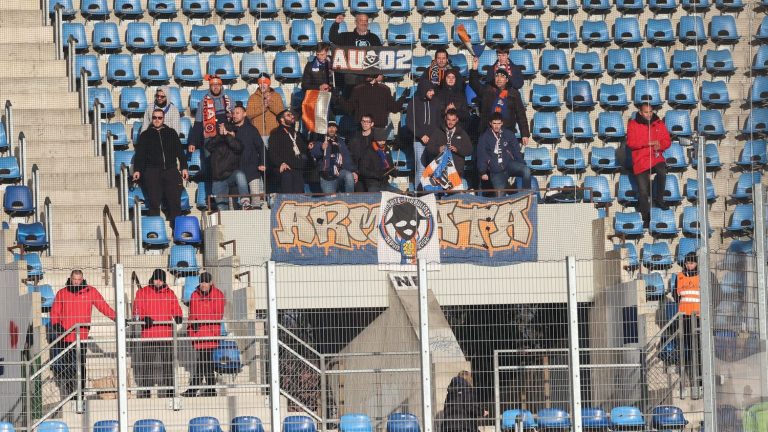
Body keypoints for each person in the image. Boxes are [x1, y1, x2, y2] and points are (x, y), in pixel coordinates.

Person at [49, 270, 116, 398]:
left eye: (79, 279)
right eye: (75, 279)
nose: (77, 282)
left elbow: (103, 307)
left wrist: (117, 318)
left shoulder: (90, 291)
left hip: (81, 337)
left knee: (80, 366)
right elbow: (55, 312)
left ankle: (81, 394)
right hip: (66, 337)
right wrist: (57, 325)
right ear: (70, 278)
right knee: (67, 368)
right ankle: (70, 395)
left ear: (82, 279)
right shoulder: (62, 293)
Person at [133, 108, 189, 230]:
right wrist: (137, 170)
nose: (157, 120)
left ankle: (177, 229)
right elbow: (140, 155)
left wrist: (184, 167)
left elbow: (180, 151)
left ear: (163, 119)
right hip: (152, 171)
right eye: (154, 117)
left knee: (175, 201)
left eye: (159, 117)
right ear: (151, 119)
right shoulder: (145, 135)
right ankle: (155, 230)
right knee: (154, 202)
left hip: (170, 170)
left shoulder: (171, 133)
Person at [132, 269, 183, 399]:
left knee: (168, 365)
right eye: (156, 279)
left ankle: (170, 392)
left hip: (166, 335)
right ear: (152, 278)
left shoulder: (169, 293)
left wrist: (178, 315)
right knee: (147, 366)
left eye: (160, 280)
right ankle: (146, 392)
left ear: (164, 280)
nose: (158, 282)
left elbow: (175, 307)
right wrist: (144, 318)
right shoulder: (142, 292)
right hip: (149, 335)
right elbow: (137, 309)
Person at [626, 102, 671, 228]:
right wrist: (648, 143)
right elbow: (631, 143)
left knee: (662, 171)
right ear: (640, 112)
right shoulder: (633, 124)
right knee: (643, 191)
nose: (649, 114)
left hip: (655, 157)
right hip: (641, 159)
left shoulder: (659, 123)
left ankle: (659, 199)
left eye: (650, 112)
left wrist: (660, 145)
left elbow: (667, 140)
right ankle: (646, 218)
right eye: (646, 112)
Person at [182, 272, 225, 398]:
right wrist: (191, 327)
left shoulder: (218, 295)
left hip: (210, 334)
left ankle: (193, 390)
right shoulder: (194, 295)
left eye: (206, 282)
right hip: (199, 334)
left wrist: (199, 320)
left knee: (202, 362)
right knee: (206, 362)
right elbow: (192, 315)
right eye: (201, 282)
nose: (203, 285)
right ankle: (210, 389)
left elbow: (217, 315)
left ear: (211, 282)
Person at [469, 57, 529, 141]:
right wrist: (474, 69)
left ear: (507, 79)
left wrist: (525, 134)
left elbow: (521, 115)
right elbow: (474, 83)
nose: (499, 79)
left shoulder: (514, 94)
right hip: (488, 132)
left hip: (507, 132)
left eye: (502, 76)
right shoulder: (487, 90)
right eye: (497, 76)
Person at [476, 113, 531, 194]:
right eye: (494, 123)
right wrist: (483, 172)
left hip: (508, 164)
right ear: (490, 123)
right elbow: (482, 155)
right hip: (496, 171)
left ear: (502, 123)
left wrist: (521, 164)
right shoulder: (484, 137)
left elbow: (516, 151)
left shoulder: (508, 134)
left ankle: (527, 194)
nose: (497, 126)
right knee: (500, 196)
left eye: (498, 123)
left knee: (526, 170)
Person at [329, 13, 383, 94]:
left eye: (366, 21)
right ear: (356, 22)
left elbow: (380, 56)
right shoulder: (347, 36)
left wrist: (380, 73)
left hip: (369, 75)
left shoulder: (374, 38)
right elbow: (332, 38)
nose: (364, 23)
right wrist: (336, 23)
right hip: (352, 77)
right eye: (361, 20)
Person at [206, 110, 248, 210]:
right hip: (218, 178)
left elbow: (238, 147)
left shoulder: (235, 141)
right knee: (222, 208)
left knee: (240, 175)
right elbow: (208, 146)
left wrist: (227, 135)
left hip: (230, 175)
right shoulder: (216, 140)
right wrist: (221, 135)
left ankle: (245, 201)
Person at [340, 74, 408, 136]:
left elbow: (394, 108)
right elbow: (349, 108)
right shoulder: (358, 89)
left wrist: (403, 97)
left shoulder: (384, 89)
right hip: (363, 129)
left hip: (376, 130)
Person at [406, 80, 443, 182]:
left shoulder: (436, 102)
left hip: (433, 141)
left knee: (433, 167)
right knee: (421, 168)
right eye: (430, 90)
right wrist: (421, 135)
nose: (433, 93)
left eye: (433, 90)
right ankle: (419, 194)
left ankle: (433, 193)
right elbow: (409, 122)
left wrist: (433, 137)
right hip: (418, 141)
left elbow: (439, 122)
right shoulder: (414, 102)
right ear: (424, 90)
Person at [424, 109, 473, 181]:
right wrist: (438, 149)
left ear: (457, 120)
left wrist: (458, 149)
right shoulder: (438, 131)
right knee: (439, 192)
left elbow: (469, 150)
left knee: (456, 192)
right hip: (439, 171)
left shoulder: (462, 133)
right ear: (445, 119)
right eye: (449, 120)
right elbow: (429, 147)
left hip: (456, 171)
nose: (450, 122)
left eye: (453, 120)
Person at [268, 110, 309, 193]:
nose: (292, 116)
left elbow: (303, 149)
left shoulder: (297, 134)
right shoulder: (275, 134)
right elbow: (272, 153)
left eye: (292, 115)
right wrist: (281, 163)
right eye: (288, 115)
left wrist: (309, 146)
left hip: (297, 168)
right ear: (282, 119)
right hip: (285, 168)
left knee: (299, 193)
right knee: (288, 180)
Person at [233, 105, 267, 206]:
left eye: (237, 113)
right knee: (238, 202)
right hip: (236, 169)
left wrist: (262, 163)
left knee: (256, 199)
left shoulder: (252, 129)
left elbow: (261, 147)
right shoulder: (230, 130)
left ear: (244, 114)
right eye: (233, 113)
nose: (234, 115)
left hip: (252, 169)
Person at [190, 74, 233, 153]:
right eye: (213, 85)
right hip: (209, 139)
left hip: (225, 137)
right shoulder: (204, 101)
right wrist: (192, 142)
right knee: (209, 162)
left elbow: (236, 118)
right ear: (210, 87)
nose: (216, 87)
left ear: (221, 86)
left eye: (218, 85)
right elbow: (198, 123)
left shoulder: (228, 99)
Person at [311, 121, 357, 193]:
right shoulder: (321, 140)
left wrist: (352, 171)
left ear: (336, 129)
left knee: (349, 176)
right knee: (330, 200)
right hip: (327, 176)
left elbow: (346, 157)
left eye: (333, 127)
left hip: (339, 172)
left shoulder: (341, 141)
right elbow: (314, 154)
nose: (331, 129)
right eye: (329, 127)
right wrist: (321, 149)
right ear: (326, 129)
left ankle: (349, 199)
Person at [246, 73, 285, 145]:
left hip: (274, 133)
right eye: (260, 83)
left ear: (269, 84)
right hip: (258, 134)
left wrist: (269, 103)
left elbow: (281, 113)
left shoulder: (276, 96)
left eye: (265, 83)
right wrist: (263, 107)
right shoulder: (253, 97)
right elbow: (248, 114)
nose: (262, 85)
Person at [358, 128, 399, 193]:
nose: (382, 142)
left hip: (385, 184)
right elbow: (362, 170)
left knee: (400, 195)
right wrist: (376, 175)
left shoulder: (387, 150)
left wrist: (394, 172)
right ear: (375, 139)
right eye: (379, 140)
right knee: (376, 199)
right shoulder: (369, 151)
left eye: (383, 140)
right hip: (372, 184)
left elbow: (390, 166)